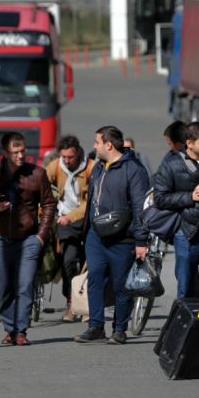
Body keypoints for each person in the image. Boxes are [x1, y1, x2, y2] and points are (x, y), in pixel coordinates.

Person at [0, 132, 56, 345]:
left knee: (25, 285)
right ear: (5, 153)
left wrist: (42, 235)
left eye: (23, 151)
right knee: (5, 286)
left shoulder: (37, 173)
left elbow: (48, 204)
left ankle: (21, 331)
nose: (20, 156)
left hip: (28, 239)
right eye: (15, 152)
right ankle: (10, 328)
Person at [73, 126, 149, 345]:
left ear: (108, 144)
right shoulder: (98, 167)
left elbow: (140, 206)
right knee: (95, 277)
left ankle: (119, 329)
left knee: (121, 284)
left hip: (122, 238)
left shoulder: (134, 170)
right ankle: (95, 326)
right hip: (96, 236)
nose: (94, 146)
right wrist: (86, 232)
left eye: (97, 142)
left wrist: (141, 239)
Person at [154, 121, 199, 302]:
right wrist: (190, 197)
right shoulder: (171, 164)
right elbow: (160, 198)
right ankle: (188, 324)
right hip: (186, 232)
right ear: (189, 143)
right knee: (185, 285)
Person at [45, 135, 94, 322]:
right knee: (68, 260)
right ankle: (70, 302)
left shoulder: (90, 167)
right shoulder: (56, 166)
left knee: (87, 262)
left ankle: (85, 304)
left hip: (86, 219)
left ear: (78, 153)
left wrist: (71, 217)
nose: (66, 160)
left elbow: (90, 201)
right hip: (64, 221)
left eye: (70, 157)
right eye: (63, 156)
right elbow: (42, 185)